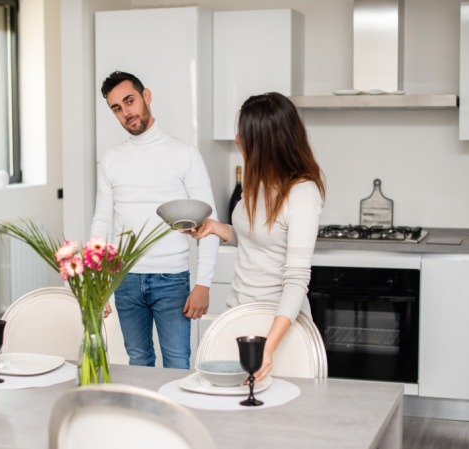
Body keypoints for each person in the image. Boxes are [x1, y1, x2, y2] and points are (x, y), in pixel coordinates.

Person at [187, 92, 325, 382]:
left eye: (244, 133)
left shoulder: (302, 193)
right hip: (238, 313)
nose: (237, 138)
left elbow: (296, 279)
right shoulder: (258, 182)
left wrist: (268, 347)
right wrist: (215, 227)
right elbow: (253, 238)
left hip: (280, 326)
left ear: (265, 141)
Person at [90, 71, 219, 369]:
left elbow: (209, 221)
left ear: (146, 96)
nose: (126, 113)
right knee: (139, 361)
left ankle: (177, 418)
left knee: (177, 362)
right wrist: (97, 283)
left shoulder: (185, 154)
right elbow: (102, 222)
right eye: (117, 108)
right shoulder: (111, 159)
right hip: (124, 281)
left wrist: (203, 284)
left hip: (171, 281)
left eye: (129, 101)